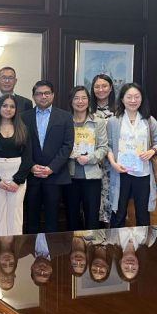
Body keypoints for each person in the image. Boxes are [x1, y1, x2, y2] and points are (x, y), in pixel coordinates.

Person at [106, 83, 157, 228]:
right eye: (129, 97)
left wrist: (152, 151)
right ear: (122, 99)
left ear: (142, 99)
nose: (133, 100)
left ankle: (142, 248)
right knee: (118, 213)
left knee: (142, 214)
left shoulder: (149, 121)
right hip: (121, 173)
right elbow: (107, 146)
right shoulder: (113, 121)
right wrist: (113, 163)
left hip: (143, 173)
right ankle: (115, 248)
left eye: (137, 97)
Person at [21, 81, 74, 234]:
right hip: (32, 175)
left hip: (55, 176)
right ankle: (32, 255)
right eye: (39, 94)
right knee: (31, 220)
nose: (43, 97)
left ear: (53, 95)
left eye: (47, 93)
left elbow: (67, 145)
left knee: (52, 220)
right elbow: (21, 146)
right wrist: (31, 166)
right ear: (33, 96)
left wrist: (51, 168)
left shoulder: (64, 117)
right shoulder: (24, 117)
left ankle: (50, 256)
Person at [0, 67, 33, 235]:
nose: (8, 109)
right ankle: (0, 255)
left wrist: (18, 180)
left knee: (16, 216)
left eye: (12, 106)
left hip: (18, 176)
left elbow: (28, 156)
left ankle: (13, 255)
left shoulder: (23, 129)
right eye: (4, 106)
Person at [65, 86, 108, 231]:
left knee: (91, 218)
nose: (80, 101)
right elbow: (61, 146)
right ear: (71, 101)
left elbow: (103, 148)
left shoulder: (98, 121)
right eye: (76, 98)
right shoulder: (65, 121)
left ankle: (91, 249)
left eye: (84, 98)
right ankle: (74, 251)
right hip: (69, 176)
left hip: (92, 176)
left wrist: (89, 158)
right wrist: (70, 154)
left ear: (89, 101)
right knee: (72, 217)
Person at [89, 74, 116, 225]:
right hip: (92, 162)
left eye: (104, 86)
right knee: (92, 200)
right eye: (97, 86)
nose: (101, 90)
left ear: (111, 88)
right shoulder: (88, 110)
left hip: (113, 163)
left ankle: (111, 239)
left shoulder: (119, 110)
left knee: (111, 197)